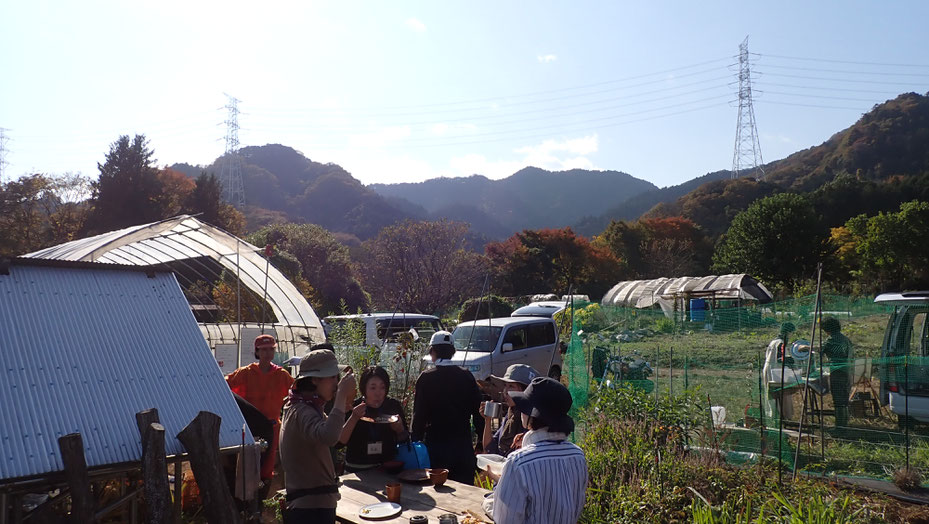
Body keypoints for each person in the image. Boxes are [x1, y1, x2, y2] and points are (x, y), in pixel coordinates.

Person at [491, 376, 587, 524]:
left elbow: (505, 519)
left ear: (532, 415)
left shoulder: (519, 462)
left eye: (524, 408)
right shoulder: (577, 455)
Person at [278, 348, 359, 524]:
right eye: (332, 377)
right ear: (315, 380)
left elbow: (336, 439)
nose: (337, 383)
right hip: (309, 510)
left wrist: (353, 416)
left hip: (314, 506)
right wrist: (341, 397)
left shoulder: (306, 407)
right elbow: (329, 436)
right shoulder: (301, 411)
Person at [411, 330, 482, 485]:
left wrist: (415, 440)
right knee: (465, 494)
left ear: (432, 351)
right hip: (462, 446)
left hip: (436, 446)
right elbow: (478, 411)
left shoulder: (426, 378)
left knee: (439, 492)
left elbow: (419, 415)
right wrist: (481, 440)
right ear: (453, 352)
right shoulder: (467, 376)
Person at [225, 334, 294, 493]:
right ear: (257, 352)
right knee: (247, 463)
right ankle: (245, 498)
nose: (268, 353)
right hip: (249, 427)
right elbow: (225, 385)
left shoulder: (281, 375)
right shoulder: (246, 372)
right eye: (264, 350)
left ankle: (261, 497)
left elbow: (296, 392)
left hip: (271, 427)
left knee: (267, 465)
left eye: (271, 349)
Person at [338, 366, 409, 471]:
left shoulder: (392, 406)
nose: (378, 393)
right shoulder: (353, 407)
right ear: (364, 388)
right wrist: (354, 418)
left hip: (387, 469)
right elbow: (338, 443)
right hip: (357, 469)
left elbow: (405, 439)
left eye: (382, 387)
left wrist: (399, 429)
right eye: (373, 387)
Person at [481, 364, 539, 457]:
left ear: (525, 391)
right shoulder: (511, 414)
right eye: (505, 386)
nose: (505, 391)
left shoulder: (533, 420)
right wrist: (487, 420)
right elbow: (489, 449)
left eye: (511, 386)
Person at [821, 316, 854, 431]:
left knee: (838, 399)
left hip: (838, 372)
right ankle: (844, 424)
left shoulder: (832, 340)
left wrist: (804, 347)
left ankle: (839, 427)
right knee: (844, 398)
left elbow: (820, 349)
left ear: (826, 329)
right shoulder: (845, 339)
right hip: (848, 372)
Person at [762, 322, 798, 421]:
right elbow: (780, 359)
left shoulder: (775, 341)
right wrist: (791, 360)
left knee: (775, 394)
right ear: (788, 332)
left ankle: (777, 417)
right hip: (773, 370)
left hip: (772, 369)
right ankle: (779, 417)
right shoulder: (780, 343)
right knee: (778, 394)